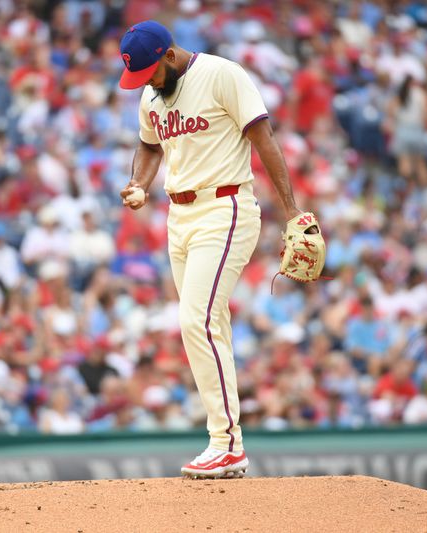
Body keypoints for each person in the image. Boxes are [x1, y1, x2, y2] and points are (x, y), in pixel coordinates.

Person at [117, 21, 310, 479]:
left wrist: (293, 213)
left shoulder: (222, 74)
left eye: (148, 72)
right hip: (178, 216)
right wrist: (138, 184)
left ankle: (223, 442)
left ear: (168, 54)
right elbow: (149, 148)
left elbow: (264, 139)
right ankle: (231, 446)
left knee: (194, 319)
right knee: (210, 324)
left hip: (225, 207)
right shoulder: (151, 96)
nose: (143, 82)